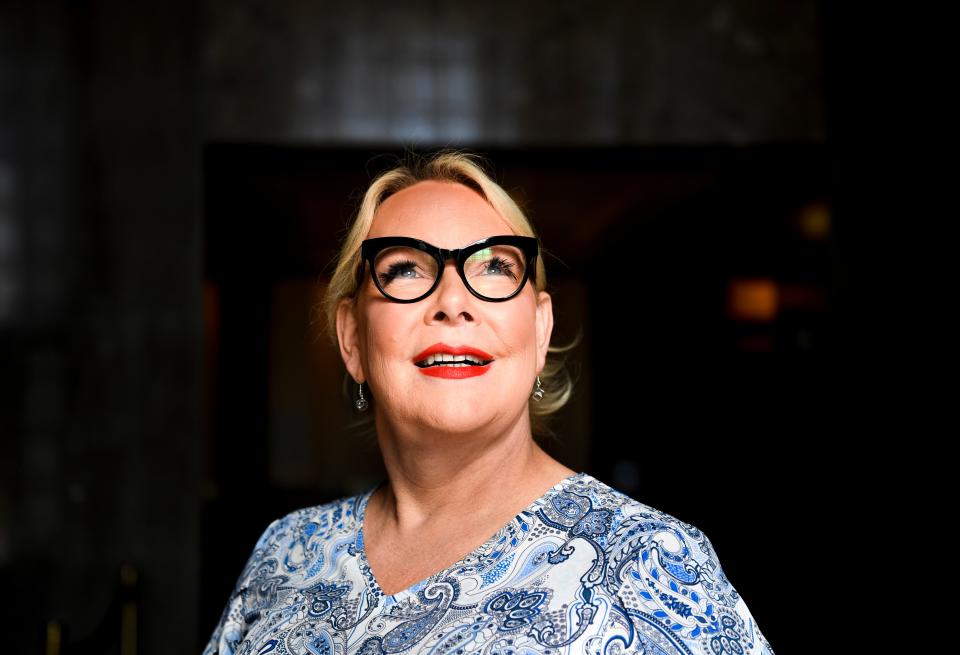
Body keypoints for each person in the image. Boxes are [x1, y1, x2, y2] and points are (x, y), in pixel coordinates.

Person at [202, 151, 775, 655]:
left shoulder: (653, 565)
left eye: (495, 267)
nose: (453, 301)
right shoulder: (285, 553)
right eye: (404, 269)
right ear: (352, 340)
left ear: (540, 330)